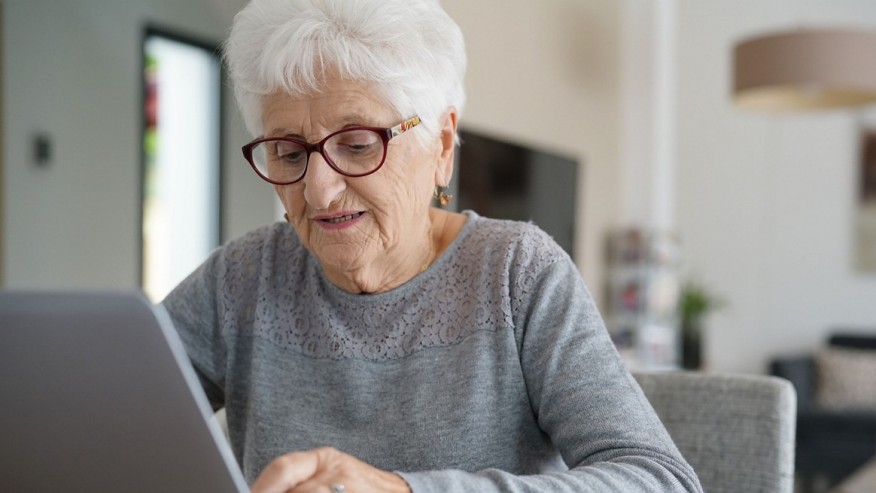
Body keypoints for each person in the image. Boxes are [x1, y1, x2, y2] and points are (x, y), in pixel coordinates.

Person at [161, 0, 704, 492]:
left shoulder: (518, 275)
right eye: (287, 152)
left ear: (441, 146)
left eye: (355, 145)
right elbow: (102, 415)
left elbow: (660, 480)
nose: (318, 191)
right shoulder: (244, 278)